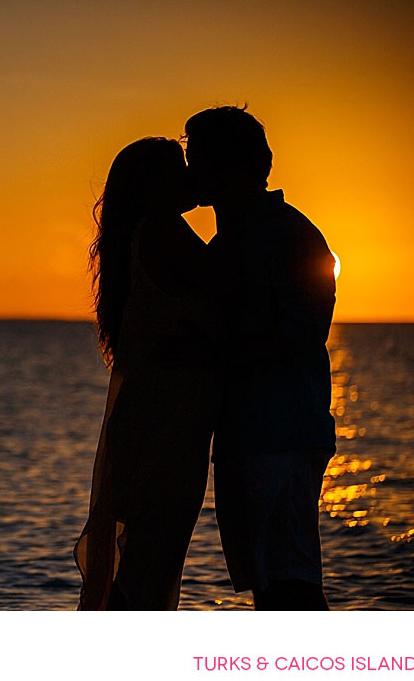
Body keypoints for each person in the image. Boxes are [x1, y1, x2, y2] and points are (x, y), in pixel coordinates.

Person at [182, 105, 337, 610]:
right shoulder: (235, 239)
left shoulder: (286, 236)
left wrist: (209, 355)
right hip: (253, 437)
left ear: (230, 167)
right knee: (272, 589)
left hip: (281, 436)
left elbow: (299, 335)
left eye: (196, 158)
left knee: (290, 590)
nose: (189, 171)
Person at [73, 137, 220, 610]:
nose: (187, 178)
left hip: (155, 418)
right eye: (175, 169)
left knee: (145, 562)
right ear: (151, 186)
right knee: (150, 569)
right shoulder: (161, 231)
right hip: (165, 425)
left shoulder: (142, 235)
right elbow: (233, 285)